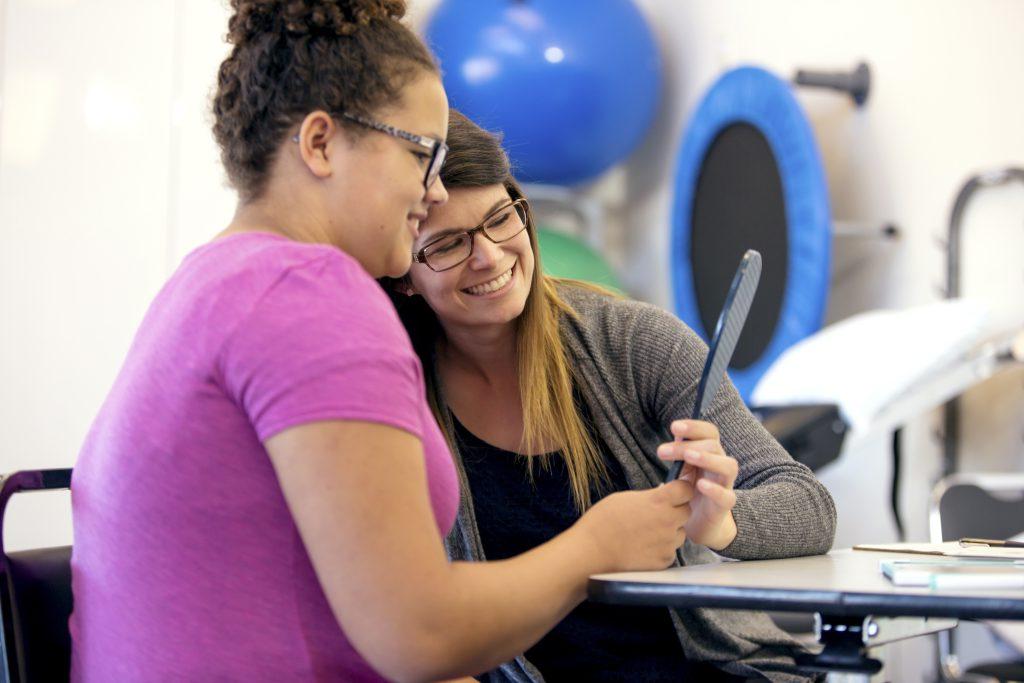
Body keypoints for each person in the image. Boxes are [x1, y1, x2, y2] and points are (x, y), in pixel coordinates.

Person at [68, 3, 697, 681]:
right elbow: (419, 635)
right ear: (319, 144)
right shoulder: (310, 291)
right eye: (422, 154)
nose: (432, 194)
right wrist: (596, 546)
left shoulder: (210, 280)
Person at [385, 110, 838, 682]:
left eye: (502, 218)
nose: (491, 256)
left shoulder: (630, 341)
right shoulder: (394, 395)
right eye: (449, 244)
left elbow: (809, 507)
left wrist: (721, 522)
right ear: (403, 271)